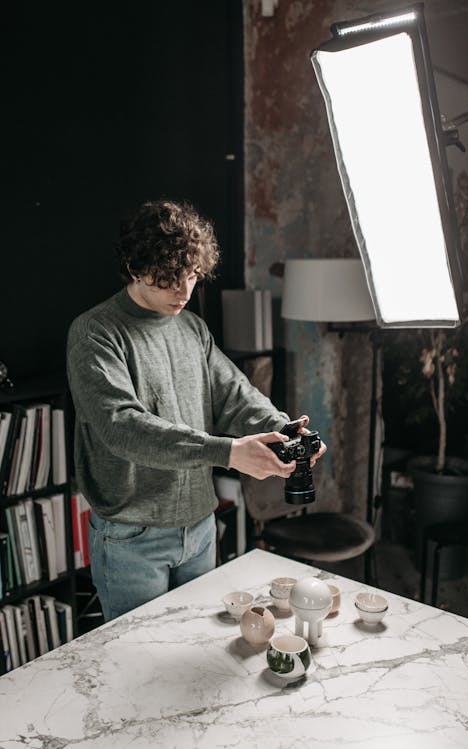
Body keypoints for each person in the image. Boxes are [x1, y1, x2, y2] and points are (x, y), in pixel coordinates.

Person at [66, 199, 326, 621]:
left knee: (195, 651)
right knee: (139, 660)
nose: (184, 292)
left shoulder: (192, 326)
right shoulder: (95, 333)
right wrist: (226, 452)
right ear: (135, 267)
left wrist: (283, 429)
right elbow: (123, 427)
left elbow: (234, 393)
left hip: (200, 526)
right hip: (132, 533)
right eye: (169, 280)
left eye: (191, 276)